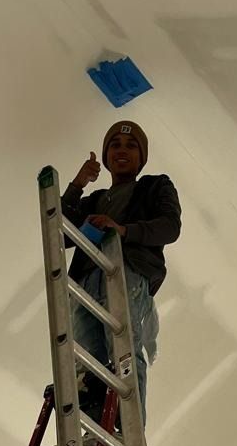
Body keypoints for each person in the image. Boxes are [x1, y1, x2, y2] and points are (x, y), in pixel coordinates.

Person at [61, 121, 181, 424]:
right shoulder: (96, 199)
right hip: (86, 283)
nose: (122, 151)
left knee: (123, 353)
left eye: (130, 146)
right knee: (89, 362)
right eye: (114, 146)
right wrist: (77, 186)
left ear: (142, 157)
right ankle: (99, 431)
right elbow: (59, 233)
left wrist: (123, 230)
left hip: (126, 273)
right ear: (105, 156)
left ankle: (129, 426)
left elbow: (170, 226)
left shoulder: (154, 186)